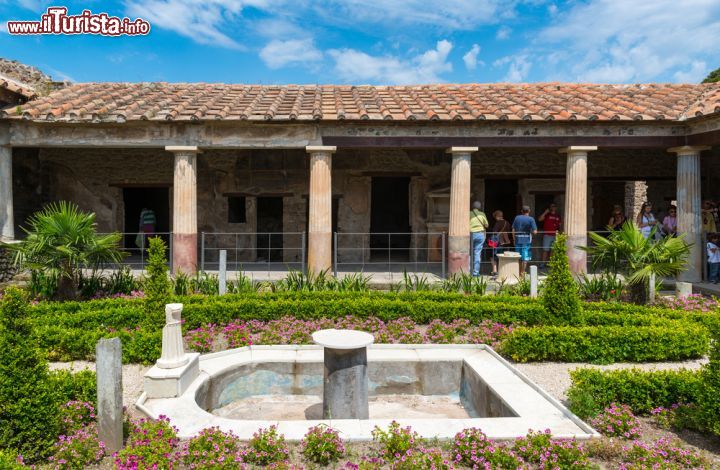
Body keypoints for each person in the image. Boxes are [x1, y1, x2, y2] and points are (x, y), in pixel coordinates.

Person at [512, 205, 537, 275]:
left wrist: (514, 240)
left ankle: (518, 273)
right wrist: (531, 231)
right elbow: (535, 231)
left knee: (518, 256)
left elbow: (513, 229)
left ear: (521, 211)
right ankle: (522, 273)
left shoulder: (517, 218)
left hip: (517, 239)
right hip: (526, 240)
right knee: (525, 257)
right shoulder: (531, 219)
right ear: (529, 211)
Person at [469, 201, 489, 277]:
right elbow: (486, 225)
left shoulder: (469, 213)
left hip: (471, 234)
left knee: (469, 253)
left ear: (472, 206)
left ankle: (468, 271)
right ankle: (475, 273)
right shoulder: (482, 214)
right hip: (480, 234)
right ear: (479, 207)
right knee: (477, 253)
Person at [489, 210, 512, 276]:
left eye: (495, 216)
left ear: (497, 216)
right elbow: (509, 231)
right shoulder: (507, 222)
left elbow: (494, 232)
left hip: (497, 242)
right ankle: (503, 270)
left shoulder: (498, 223)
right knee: (502, 255)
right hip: (505, 242)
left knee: (493, 256)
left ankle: (494, 271)